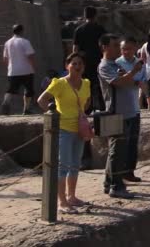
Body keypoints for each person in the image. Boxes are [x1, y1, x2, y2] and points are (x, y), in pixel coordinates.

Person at [36, 53, 90, 214]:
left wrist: (81, 114)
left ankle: (71, 196)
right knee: (63, 166)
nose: (77, 66)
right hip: (64, 129)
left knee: (75, 164)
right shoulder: (59, 83)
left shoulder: (86, 83)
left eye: (80, 63)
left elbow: (86, 102)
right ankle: (62, 202)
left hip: (79, 128)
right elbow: (41, 100)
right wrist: (55, 116)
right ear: (67, 66)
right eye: (74, 63)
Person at [98, 34, 143, 198]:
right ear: (105, 47)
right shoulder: (104, 66)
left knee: (119, 151)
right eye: (115, 45)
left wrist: (130, 76)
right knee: (116, 151)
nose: (119, 48)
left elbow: (130, 82)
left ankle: (109, 183)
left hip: (128, 112)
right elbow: (119, 82)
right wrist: (134, 72)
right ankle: (116, 186)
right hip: (116, 113)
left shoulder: (116, 64)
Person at [115, 37, 147, 182]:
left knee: (133, 143)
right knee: (120, 144)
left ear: (135, 49)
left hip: (135, 107)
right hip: (120, 108)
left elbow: (143, 83)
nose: (126, 52)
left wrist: (135, 81)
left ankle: (129, 172)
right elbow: (122, 82)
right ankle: (117, 174)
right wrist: (134, 80)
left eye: (129, 48)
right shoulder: (116, 63)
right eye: (123, 49)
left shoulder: (140, 64)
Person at [73, 6, 107, 112]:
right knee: (100, 85)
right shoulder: (100, 29)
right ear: (95, 16)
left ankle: (86, 109)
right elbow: (105, 46)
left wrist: (75, 64)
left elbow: (75, 49)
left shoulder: (79, 30)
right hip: (98, 61)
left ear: (84, 16)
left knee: (85, 86)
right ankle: (102, 107)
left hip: (84, 63)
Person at [1, 24, 36, 115]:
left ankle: (5, 103)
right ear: (21, 31)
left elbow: (5, 58)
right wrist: (33, 66)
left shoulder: (7, 43)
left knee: (11, 89)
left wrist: (9, 68)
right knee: (28, 90)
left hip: (13, 70)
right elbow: (30, 55)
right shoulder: (24, 42)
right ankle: (26, 109)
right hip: (26, 70)